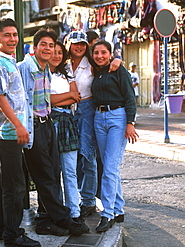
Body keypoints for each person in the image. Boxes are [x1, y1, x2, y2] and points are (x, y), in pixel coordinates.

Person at [18, 28, 89, 237]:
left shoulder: (45, 71)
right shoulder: (24, 68)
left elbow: (52, 100)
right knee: (46, 176)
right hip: (33, 126)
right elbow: (17, 99)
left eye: (52, 46)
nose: (49, 50)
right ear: (35, 47)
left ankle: (45, 220)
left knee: (52, 173)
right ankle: (63, 218)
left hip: (47, 122)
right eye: (45, 45)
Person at [0, 18, 40, 247]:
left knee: (0, 185)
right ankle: (13, 235)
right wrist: (19, 125)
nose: (12, 39)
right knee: (15, 186)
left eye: (15, 34)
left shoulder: (8, 61)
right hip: (7, 134)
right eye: (7, 35)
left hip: (5, 132)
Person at [65, 31, 122, 218]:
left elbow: (108, 65)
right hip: (66, 110)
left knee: (88, 156)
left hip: (88, 109)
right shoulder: (62, 63)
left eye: (82, 43)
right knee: (69, 159)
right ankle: (73, 199)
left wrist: (118, 59)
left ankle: (88, 200)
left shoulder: (91, 63)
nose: (79, 47)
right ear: (69, 45)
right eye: (75, 44)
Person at [91, 40, 138, 232]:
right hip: (98, 118)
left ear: (110, 54)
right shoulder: (96, 71)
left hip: (117, 118)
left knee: (110, 167)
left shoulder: (119, 70)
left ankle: (107, 213)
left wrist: (130, 123)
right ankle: (118, 209)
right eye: (96, 53)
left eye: (104, 52)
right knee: (108, 165)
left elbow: (129, 96)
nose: (100, 56)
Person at [48, 40, 82, 220]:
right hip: (48, 121)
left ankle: (74, 212)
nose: (56, 55)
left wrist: (64, 97)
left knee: (70, 170)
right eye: (53, 51)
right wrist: (67, 95)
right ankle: (57, 212)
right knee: (53, 171)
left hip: (67, 121)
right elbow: (45, 100)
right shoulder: (42, 73)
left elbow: (76, 97)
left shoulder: (67, 73)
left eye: (60, 52)